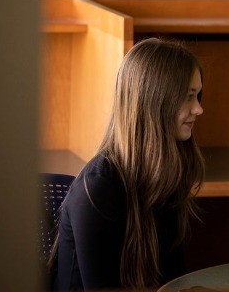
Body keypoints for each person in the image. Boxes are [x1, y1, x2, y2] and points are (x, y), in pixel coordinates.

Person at [52, 38, 206, 290]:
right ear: (154, 102)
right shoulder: (97, 188)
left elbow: (174, 278)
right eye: (188, 97)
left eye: (197, 95)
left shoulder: (166, 173)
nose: (198, 109)